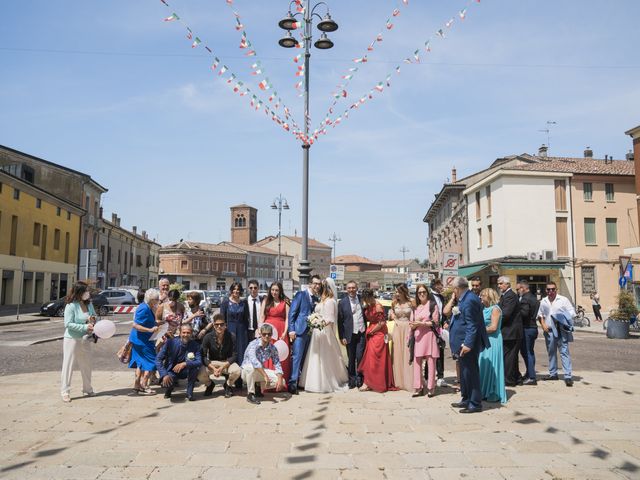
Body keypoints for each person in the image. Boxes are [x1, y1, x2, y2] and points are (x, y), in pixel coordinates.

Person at [300, 278, 349, 393]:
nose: (321, 288)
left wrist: (318, 324)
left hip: (325, 332)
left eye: (323, 286)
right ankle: (313, 381)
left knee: (324, 358)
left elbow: (330, 320)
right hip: (317, 333)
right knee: (315, 357)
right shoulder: (321, 300)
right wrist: (313, 321)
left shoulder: (331, 301)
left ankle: (325, 382)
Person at [449, 277, 490, 413]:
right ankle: (466, 398)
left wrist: (467, 344)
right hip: (462, 342)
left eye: (453, 289)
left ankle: (475, 403)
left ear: (457, 289)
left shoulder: (469, 300)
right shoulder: (465, 298)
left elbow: (472, 325)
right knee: (465, 373)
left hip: (467, 344)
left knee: (471, 373)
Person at [60, 282, 97, 403]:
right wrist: (85, 327)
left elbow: (94, 315)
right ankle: (65, 391)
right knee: (68, 365)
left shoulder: (89, 303)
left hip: (86, 338)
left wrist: (93, 320)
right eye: (86, 291)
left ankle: (87, 388)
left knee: (86, 364)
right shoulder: (71, 306)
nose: (88, 293)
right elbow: (68, 324)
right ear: (79, 292)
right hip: (72, 339)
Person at [288, 275, 322, 394]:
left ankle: (301, 381)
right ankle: (292, 382)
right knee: (297, 357)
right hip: (299, 330)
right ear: (310, 284)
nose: (317, 286)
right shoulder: (301, 295)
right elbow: (292, 313)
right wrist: (291, 330)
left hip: (311, 332)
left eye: (319, 284)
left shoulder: (317, 298)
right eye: (315, 283)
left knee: (305, 358)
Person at [538, 281, 575, 387]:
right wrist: (543, 324)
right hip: (549, 330)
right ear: (546, 290)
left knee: (564, 352)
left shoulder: (563, 300)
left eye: (553, 289)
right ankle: (553, 373)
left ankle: (567, 376)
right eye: (548, 289)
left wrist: (563, 316)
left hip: (561, 329)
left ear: (556, 290)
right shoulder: (543, 301)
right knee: (551, 352)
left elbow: (572, 311)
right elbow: (541, 314)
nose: (551, 291)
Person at [357, 289, 396, 393]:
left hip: (378, 333)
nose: (366, 301)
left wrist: (371, 331)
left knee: (376, 358)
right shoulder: (369, 305)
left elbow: (382, 322)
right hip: (372, 332)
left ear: (371, 297)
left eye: (367, 299)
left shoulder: (378, 306)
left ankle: (373, 382)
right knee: (370, 359)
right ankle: (369, 382)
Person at [198, 314, 242, 398]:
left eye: (222, 324)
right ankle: (210, 384)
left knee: (237, 371)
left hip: (227, 362)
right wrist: (213, 368)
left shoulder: (231, 336)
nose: (219, 327)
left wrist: (222, 367)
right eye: (216, 325)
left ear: (225, 325)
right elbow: (203, 356)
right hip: (213, 362)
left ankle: (228, 385)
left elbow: (235, 355)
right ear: (213, 325)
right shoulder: (208, 337)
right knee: (199, 373)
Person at [242, 324, 286, 405]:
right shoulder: (253, 344)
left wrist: (280, 378)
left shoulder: (272, 348)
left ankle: (258, 386)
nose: (266, 336)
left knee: (282, 381)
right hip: (246, 372)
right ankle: (250, 394)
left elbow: (277, 363)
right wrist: (265, 376)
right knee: (251, 368)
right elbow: (254, 362)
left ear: (271, 335)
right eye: (264, 334)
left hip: (259, 372)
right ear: (260, 334)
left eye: (269, 334)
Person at [156, 324, 202, 401]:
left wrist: (185, 364)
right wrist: (164, 374)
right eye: (183, 332)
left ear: (191, 333)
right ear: (180, 333)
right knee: (168, 380)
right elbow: (158, 359)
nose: (186, 335)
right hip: (171, 370)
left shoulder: (195, 345)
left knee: (195, 369)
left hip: (186, 369)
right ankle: (168, 391)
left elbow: (199, 361)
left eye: (188, 333)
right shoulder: (170, 343)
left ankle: (189, 393)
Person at [478, 288, 507, 404]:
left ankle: (492, 391)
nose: (480, 297)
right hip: (484, 339)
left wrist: (479, 330)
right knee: (483, 364)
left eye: (483, 295)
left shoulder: (495, 309)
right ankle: (483, 391)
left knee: (491, 366)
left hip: (493, 340)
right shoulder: (484, 309)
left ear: (489, 297)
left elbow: (494, 327)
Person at [129, 288, 160, 395]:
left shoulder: (147, 307)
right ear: (151, 300)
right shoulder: (144, 308)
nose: (158, 301)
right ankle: (144, 386)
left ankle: (136, 386)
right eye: (157, 299)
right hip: (142, 341)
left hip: (140, 340)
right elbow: (135, 325)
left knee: (140, 364)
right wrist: (150, 330)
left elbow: (148, 321)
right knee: (151, 362)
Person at [411, 285, 440, 398]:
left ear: (427, 293)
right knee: (417, 362)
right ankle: (418, 387)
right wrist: (414, 325)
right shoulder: (415, 307)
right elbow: (411, 323)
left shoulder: (432, 305)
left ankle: (431, 387)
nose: (422, 294)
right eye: (419, 292)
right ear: (417, 294)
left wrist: (421, 323)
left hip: (429, 335)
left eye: (424, 292)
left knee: (431, 362)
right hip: (418, 337)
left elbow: (435, 322)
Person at [337, 280, 366, 389]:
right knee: (351, 358)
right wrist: (342, 336)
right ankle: (352, 379)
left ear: (357, 288)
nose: (351, 290)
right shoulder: (342, 302)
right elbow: (340, 321)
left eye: (353, 287)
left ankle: (360, 379)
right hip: (349, 334)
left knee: (360, 357)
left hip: (361, 332)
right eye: (349, 288)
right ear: (346, 289)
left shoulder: (362, 299)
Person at [260, 282, 291, 383]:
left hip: (281, 331)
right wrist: (261, 331)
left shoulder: (285, 302)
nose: (274, 292)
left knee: (280, 356)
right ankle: (267, 382)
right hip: (268, 332)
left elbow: (287, 319)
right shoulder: (266, 301)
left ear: (280, 291)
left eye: (276, 290)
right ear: (270, 290)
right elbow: (262, 317)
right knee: (267, 355)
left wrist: (285, 332)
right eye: (272, 290)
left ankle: (280, 382)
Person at [497, 276, 522, 387]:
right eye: (498, 283)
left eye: (501, 283)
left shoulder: (510, 296)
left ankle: (509, 380)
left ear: (507, 284)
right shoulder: (505, 296)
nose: (499, 285)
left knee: (509, 357)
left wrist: (494, 322)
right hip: (508, 332)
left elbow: (505, 314)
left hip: (511, 332)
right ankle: (517, 378)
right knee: (511, 357)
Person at [388, 284, 414, 392]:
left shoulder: (411, 302)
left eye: (398, 292)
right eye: (396, 292)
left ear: (404, 291)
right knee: (398, 354)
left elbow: (416, 314)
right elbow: (391, 315)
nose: (397, 294)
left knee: (408, 353)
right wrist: (392, 315)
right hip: (398, 329)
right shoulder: (394, 303)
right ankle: (398, 381)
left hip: (408, 328)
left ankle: (410, 381)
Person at [220, 282, 249, 374]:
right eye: (234, 289)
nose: (236, 291)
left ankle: (240, 379)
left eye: (238, 289)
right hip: (230, 330)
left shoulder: (244, 303)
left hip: (242, 331)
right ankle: (230, 377)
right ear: (231, 290)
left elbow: (246, 318)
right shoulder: (225, 302)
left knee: (241, 352)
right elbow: (222, 319)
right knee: (231, 352)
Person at [518, 280, 540, 385]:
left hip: (527, 328)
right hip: (533, 327)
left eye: (518, 289)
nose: (518, 291)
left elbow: (524, 313)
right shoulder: (534, 298)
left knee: (527, 352)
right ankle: (529, 373)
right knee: (529, 352)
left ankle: (531, 377)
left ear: (523, 288)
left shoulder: (525, 299)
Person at [429, 279, 450, 388]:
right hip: (430, 328)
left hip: (440, 329)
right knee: (430, 353)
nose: (442, 286)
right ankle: (428, 377)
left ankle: (440, 377)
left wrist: (446, 321)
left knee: (440, 352)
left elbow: (444, 313)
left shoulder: (442, 297)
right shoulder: (428, 297)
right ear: (435, 285)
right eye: (440, 285)